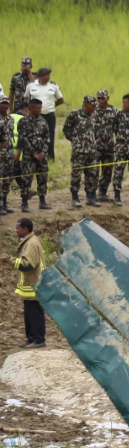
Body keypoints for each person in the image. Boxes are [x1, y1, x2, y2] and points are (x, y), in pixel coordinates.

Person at [2, 218, 46, 348]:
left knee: (35, 314)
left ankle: (38, 340)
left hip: (35, 285)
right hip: (29, 286)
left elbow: (28, 265)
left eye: (18, 228)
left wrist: (10, 260)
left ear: (25, 229)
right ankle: (31, 338)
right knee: (29, 314)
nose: (16, 231)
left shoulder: (31, 243)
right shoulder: (27, 242)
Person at [62, 94, 100, 207]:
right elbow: (66, 129)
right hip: (79, 151)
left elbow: (96, 130)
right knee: (76, 174)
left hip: (92, 151)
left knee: (92, 174)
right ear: (86, 105)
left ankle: (90, 197)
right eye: (92, 105)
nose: (94, 108)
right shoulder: (75, 114)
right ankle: (75, 197)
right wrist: (75, 140)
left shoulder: (94, 115)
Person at [16, 99, 50, 211]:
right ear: (31, 109)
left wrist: (43, 152)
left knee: (43, 177)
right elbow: (24, 139)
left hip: (42, 156)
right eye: (38, 108)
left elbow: (47, 137)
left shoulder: (43, 121)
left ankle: (42, 201)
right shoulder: (23, 122)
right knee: (26, 179)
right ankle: (24, 203)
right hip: (29, 157)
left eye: (41, 107)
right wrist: (33, 153)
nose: (40, 110)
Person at [23, 68, 62, 161]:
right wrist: (28, 110)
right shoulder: (31, 86)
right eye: (46, 75)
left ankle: (50, 158)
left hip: (49, 115)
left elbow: (60, 100)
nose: (48, 77)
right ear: (40, 77)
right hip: (35, 117)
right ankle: (35, 156)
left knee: (50, 137)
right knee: (34, 136)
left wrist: (52, 105)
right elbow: (25, 98)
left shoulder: (53, 86)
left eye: (49, 75)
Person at [93, 90, 118, 200]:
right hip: (95, 146)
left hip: (109, 145)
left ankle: (103, 192)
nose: (100, 100)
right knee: (93, 171)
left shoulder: (114, 111)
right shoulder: (93, 110)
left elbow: (117, 127)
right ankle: (91, 193)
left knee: (107, 170)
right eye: (99, 98)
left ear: (107, 98)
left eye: (102, 98)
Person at [0, 97, 13, 215]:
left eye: (6, 104)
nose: (5, 106)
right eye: (2, 103)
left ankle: (4, 203)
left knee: (7, 180)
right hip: (0, 154)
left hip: (9, 154)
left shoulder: (10, 119)